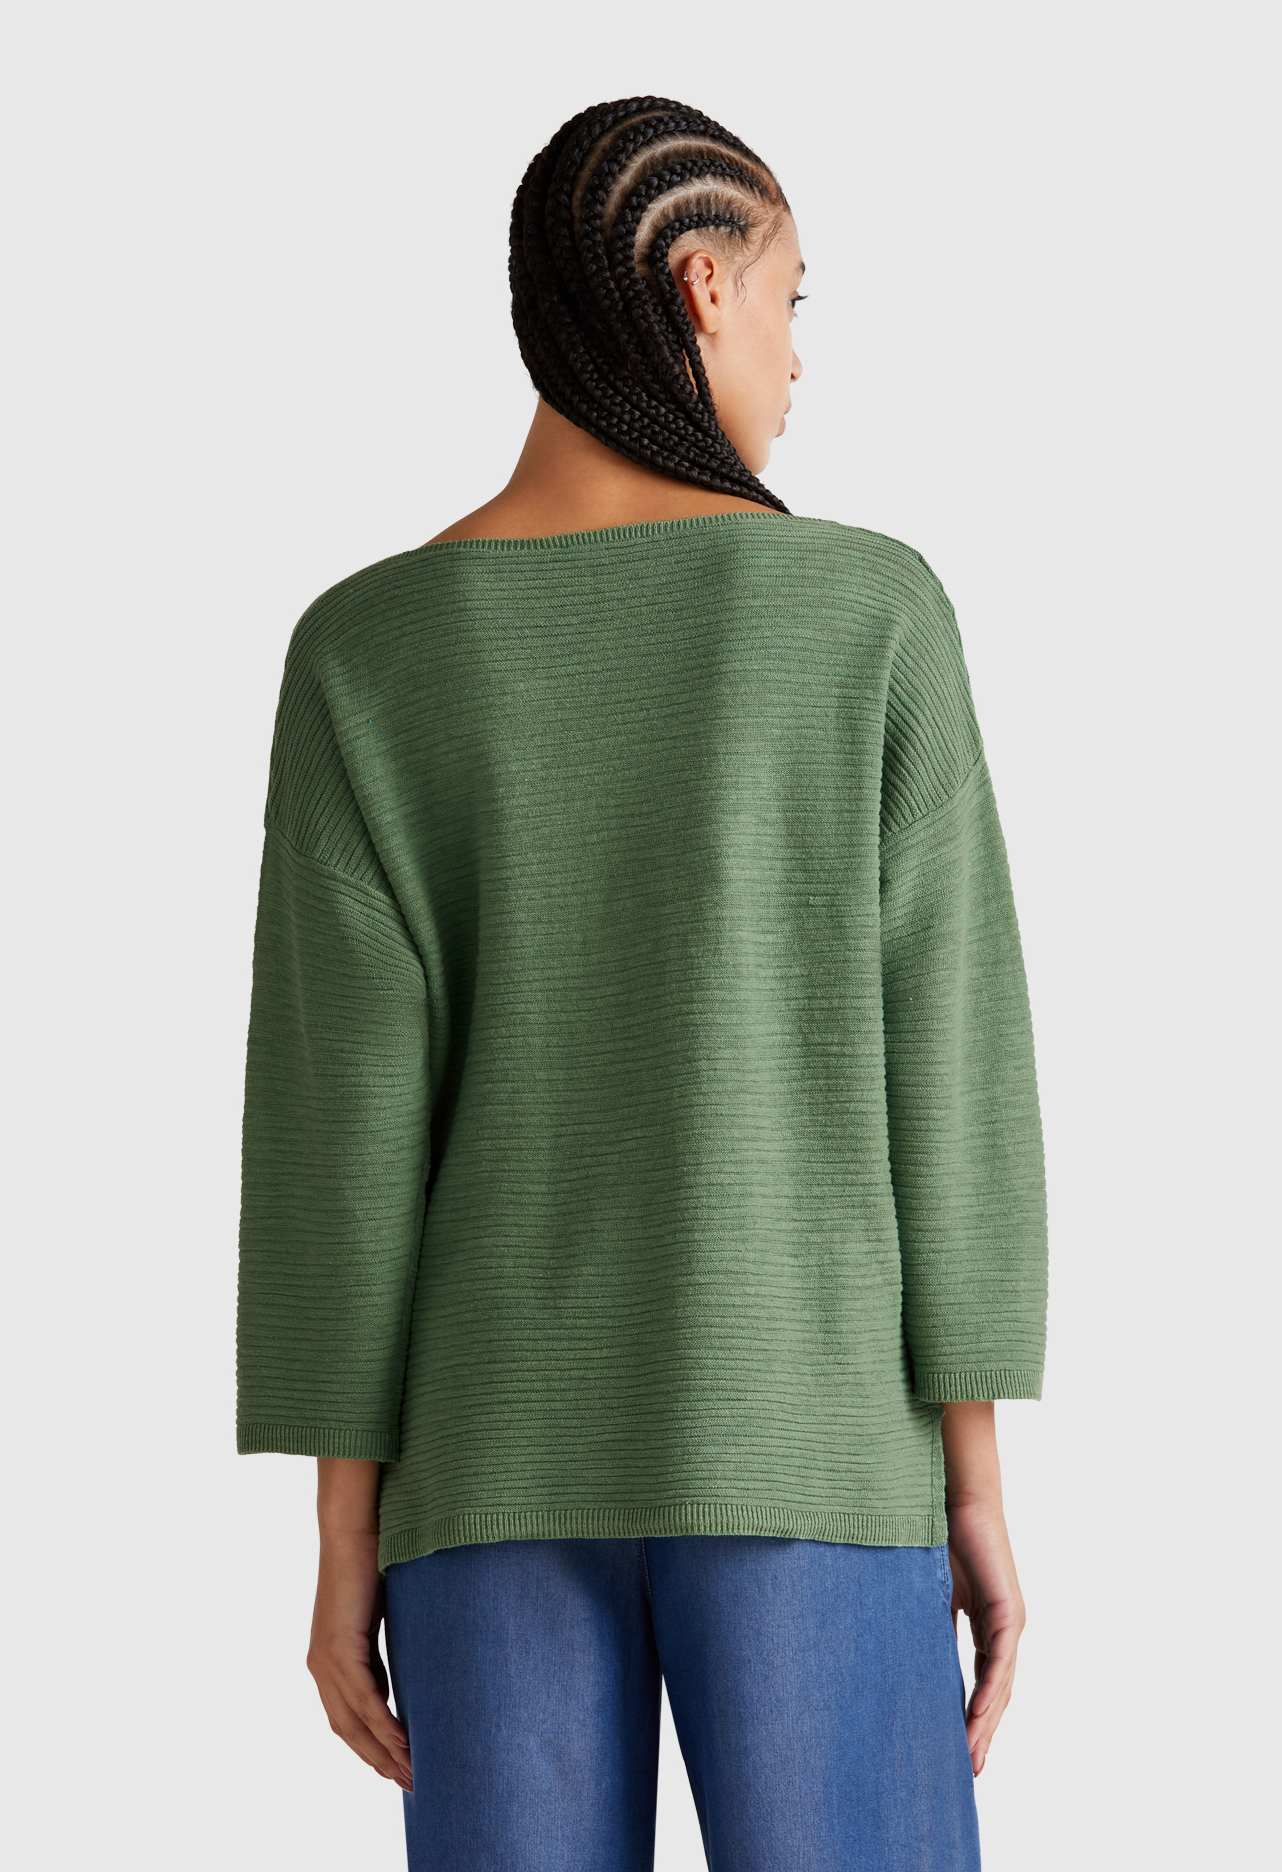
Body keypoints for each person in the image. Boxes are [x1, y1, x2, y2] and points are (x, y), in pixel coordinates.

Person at [236, 96, 1048, 1872]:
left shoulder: (368, 651)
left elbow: (337, 1142)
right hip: (817, 1447)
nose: (797, 356)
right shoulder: (866, 615)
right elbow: (955, 1076)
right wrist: (974, 1480)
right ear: (701, 285)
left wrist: (343, 1533)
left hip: (481, 1476)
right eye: (792, 299)